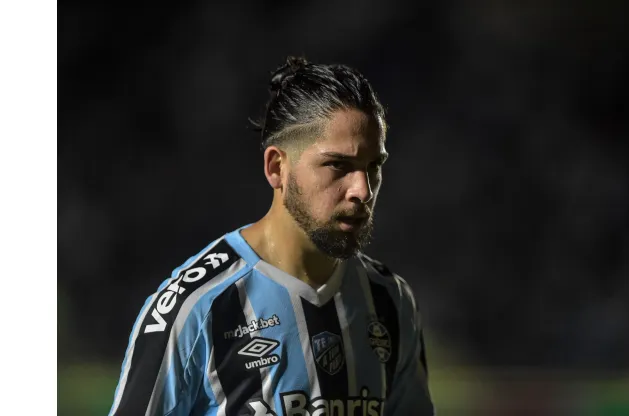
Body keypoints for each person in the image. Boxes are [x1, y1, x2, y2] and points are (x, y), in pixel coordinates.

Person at [108, 56, 434, 416]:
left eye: (374, 167)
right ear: (277, 167)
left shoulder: (391, 301)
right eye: (338, 165)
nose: (363, 189)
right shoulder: (195, 309)